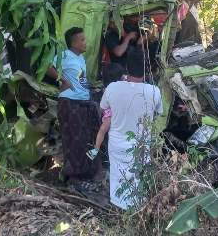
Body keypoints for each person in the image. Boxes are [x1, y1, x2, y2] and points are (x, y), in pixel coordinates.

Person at [93, 49, 163, 209]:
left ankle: (120, 209)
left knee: (119, 178)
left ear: (126, 67)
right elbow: (157, 114)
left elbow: (103, 110)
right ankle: (139, 209)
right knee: (139, 177)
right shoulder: (154, 91)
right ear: (147, 69)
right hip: (141, 146)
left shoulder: (112, 88)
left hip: (117, 144)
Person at [46, 27, 104, 191]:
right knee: (74, 141)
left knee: (89, 138)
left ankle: (91, 172)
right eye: (83, 40)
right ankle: (74, 178)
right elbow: (46, 67)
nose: (86, 43)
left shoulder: (80, 59)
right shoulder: (64, 55)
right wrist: (64, 81)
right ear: (74, 43)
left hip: (83, 103)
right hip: (70, 103)